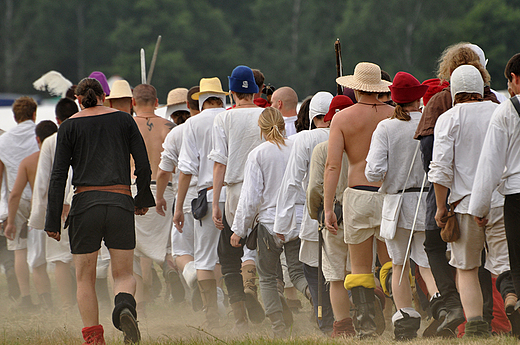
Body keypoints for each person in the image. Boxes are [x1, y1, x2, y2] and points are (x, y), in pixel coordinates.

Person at [44, 77, 155, 344]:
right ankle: (125, 306)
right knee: (124, 274)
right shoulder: (124, 119)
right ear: (104, 96)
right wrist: (142, 198)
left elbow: (58, 175)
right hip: (119, 202)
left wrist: (52, 220)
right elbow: (143, 163)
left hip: (85, 205)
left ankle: (94, 338)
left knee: (85, 278)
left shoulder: (68, 126)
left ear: (79, 100)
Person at [414, 43, 500, 334]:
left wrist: (440, 208)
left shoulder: (448, 117)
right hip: (500, 201)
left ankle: (476, 324)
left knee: (466, 267)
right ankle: (508, 306)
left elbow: (439, 168)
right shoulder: (500, 112)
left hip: (463, 203)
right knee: (504, 264)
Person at [365, 72, 440, 339]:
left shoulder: (386, 128)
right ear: (418, 97)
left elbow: (373, 172)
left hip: (396, 204)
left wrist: (391, 176)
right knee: (428, 263)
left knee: (399, 265)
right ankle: (440, 304)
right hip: (427, 200)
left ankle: (406, 316)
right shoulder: (433, 122)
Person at [323, 62, 394, 338]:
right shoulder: (393, 115)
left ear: (354, 87)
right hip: (389, 194)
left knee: (360, 267)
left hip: (357, 195)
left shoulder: (342, 119)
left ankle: (365, 325)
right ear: (379, 88)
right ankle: (403, 315)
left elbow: (332, 166)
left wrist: (329, 207)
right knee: (393, 263)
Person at [230, 107, 295, 337]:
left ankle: (278, 327)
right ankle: (324, 316)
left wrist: (239, 229)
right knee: (299, 274)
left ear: (261, 129)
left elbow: (250, 198)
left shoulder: (258, 154)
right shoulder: (296, 148)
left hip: (269, 224)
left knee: (266, 277)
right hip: (296, 221)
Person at [273, 91, 334, 334]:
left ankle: (326, 319)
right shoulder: (347, 132)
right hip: (344, 211)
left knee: (313, 268)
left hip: (316, 212)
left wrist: (281, 223)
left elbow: (291, 182)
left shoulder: (305, 139)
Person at [209, 65, 265, 330]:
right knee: (262, 250)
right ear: (255, 90)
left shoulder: (223, 118)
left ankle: (240, 319)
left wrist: (216, 203)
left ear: (231, 91)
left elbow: (219, 163)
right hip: (264, 191)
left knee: (229, 256)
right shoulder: (268, 115)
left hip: (233, 191)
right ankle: (268, 303)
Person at [468, 52, 520, 335]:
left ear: (513, 78)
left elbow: (490, 164)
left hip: (515, 196)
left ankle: (514, 303)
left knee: (513, 261)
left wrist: (480, 207)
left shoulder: (507, 111)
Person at [172, 77, 229, 328]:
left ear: (201, 100)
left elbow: (185, 170)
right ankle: (237, 306)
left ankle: (212, 314)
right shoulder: (232, 117)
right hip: (239, 193)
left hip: (208, 194)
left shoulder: (192, 124)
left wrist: (178, 207)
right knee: (234, 257)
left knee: (205, 259)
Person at [305, 96, 357, 338]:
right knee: (361, 269)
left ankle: (343, 325)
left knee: (336, 275)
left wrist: (317, 214)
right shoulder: (366, 144)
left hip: (335, 215)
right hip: (363, 213)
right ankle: (370, 314)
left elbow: (315, 187)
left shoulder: (323, 149)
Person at [28, 98, 79, 309]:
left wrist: (40, 217)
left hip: (57, 207)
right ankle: (87, 300)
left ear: (57, 119)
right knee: (81, 256)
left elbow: (42, 182)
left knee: (60, 260)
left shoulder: (50, 141)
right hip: (80, 201)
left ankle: (68, 305)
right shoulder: (83, 135)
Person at [131, 84, 175, 312]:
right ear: (157, 102)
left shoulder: (126, 125)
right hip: (163, 188)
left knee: (134, 250)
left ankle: (140, 300)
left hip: (133, 188)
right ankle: (169, 270)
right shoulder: (169, 127)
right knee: (167, 244)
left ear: (133, 102)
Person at [5, 120, 58, 310]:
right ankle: (69, 301)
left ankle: (47, 303)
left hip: (40, 216)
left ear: (37, 139)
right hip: (63, 214)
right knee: (65, 261)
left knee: (38, 263)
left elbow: (15, 194)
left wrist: (11, 222)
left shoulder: (29, 162)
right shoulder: (67, 158)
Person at [0, 96, 39, 310]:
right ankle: (50, 296)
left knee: (19, 250)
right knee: (49, 248)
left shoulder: (3, 141)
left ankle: (26, 298)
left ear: (15, 117)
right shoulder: (40, 134)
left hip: (16, 198)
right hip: (40, 195)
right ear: (34, 114)